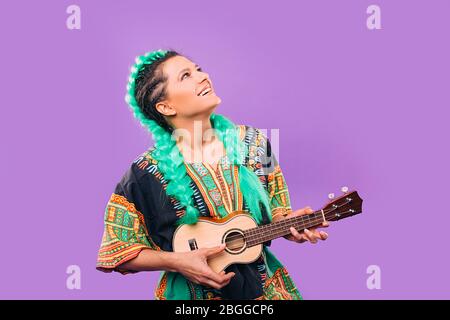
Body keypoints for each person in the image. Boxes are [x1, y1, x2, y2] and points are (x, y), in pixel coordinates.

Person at [96, 49, 329, 300]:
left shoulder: (258, 143)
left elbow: (277, 210)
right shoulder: (143, 173)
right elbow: (117, 252)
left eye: (198, 69)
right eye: (186, 76)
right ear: (165, 106)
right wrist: (178, 262)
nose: (203, 76)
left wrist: (290, 225)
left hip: (265, 290)